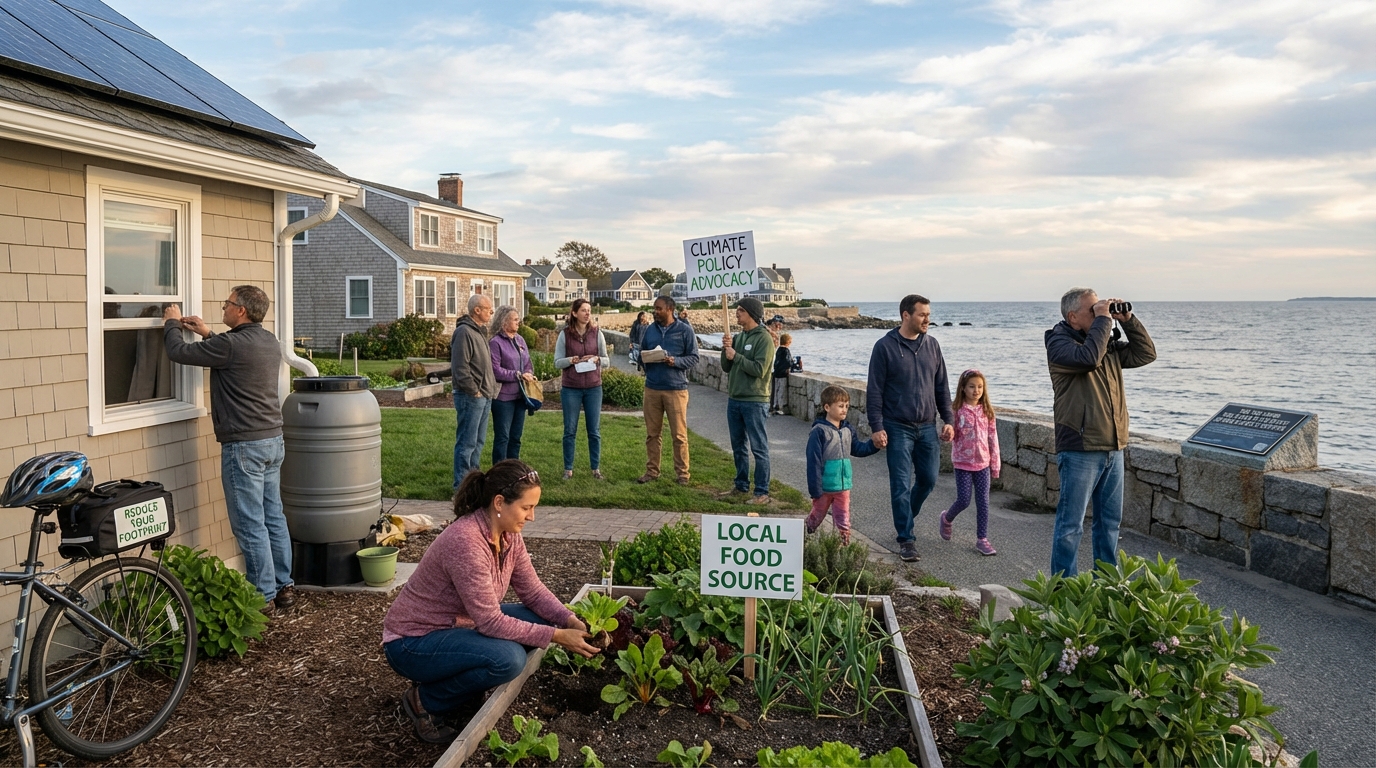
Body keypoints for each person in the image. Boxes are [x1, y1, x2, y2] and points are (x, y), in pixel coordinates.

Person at [382, 460, 599, 743]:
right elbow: (490, 621)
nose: (531, 517)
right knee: (508, 660)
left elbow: (532, 592)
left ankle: (464, 688)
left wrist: (568, 620)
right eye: (526, 508)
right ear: (499, 502)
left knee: (544, 617)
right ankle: (426, 700)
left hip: (457, 626)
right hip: (413, 642)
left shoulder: (508, 536)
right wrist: (558, 636)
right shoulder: (466, 542)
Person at [162, 285, 296, 612]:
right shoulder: (267, 341)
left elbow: (178, 352)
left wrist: (171, 322)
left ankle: (261, 597)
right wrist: (207, 332)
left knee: (249, 522)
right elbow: (230, 352)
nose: (224, 307)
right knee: (272, 516)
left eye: (228, 303)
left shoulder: (231, 345)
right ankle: (284, 587)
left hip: (244, 446)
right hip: (272, 441)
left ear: (241, 311)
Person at [1046, 288, 1156, 577]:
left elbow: (1146, 354)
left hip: (1113, 446)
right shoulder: (1059, 344)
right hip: (1080, 447)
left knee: (1109, 524)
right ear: (1072, 317)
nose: (1099, 313)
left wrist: (1128, 320)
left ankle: (1106, 585)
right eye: (1092, 310)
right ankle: (1062, 591)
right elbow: (1088, 358)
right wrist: (1104, 321)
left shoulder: (1103, 343)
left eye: (1100, 308)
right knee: (1071, 526)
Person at [866, 294, 954, 562]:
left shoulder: (933, 345)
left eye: (928, 314)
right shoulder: (885, 347)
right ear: (906, 315)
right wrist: (877, 426)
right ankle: (906, 538)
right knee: (901, 485)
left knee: (928, 479)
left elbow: (942, 387)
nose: (928, 319)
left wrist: (948, 419)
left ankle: (905, 517)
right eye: (922, 314)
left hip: (927, 426)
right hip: (897, 427)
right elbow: (874, 391)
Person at [937, 369, 1001, 556]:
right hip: (962, 463)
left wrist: (995, 464)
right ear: (963, 388)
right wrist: (947, 435)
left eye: (980, 387)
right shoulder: (957, 410)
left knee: (983, 502)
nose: (976, 390)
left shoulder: (987, 411)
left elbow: (992, 438)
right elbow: (951, 434)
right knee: (964, 500)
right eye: (972, 386)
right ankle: (947, 518)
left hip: (983, 464)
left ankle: (982, 539)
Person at [805, 385, 879, 544]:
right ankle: (806, 531)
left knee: (843, 518)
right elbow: (813, 462)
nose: (844, 409)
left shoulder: (848, 429)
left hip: (843, 486)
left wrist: (874, 446)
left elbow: (858, 449)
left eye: (846, 406)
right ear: (827, 407)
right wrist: (815, 489)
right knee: (817, 515)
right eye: (840, 406)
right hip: (824, 487)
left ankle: (842, 544)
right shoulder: (819, 431)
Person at [639, 296, 699, 485]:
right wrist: (643, 358)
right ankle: (652, 471)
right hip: (652, 388)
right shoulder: (649, 330)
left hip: (676, 389)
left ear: (670, 309)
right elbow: (641, 353)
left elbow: (694, 357)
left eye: (659, 309)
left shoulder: (685, 331)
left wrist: (675, 361)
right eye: (654, 309)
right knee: (652, 434)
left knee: (679, 435)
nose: (655, 312)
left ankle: (682, 474)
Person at [721, 297, 776, 503]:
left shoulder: (764, 339)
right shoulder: (738, 337)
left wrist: (735, 356)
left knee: (758, 447)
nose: (736, 313)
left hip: (755, 400)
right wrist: (725, 349)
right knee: (738, 446)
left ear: (752, 314)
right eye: (737, 309)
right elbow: (726, 367)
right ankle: (741, 485)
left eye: (741, 310)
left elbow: (760, 370)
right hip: (735, 398)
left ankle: (762, 492)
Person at [554, 299, 610, 480]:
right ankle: (568, 469)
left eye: (589, 310)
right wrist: (572, 360)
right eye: (584, 310)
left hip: (594, 387)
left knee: (594, 430)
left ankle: (596, 469)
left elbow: (607, 360)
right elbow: (557, 362)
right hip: (571, 388)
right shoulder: (565, 335)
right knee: (570, 430)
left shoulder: (597, 333)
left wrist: (597, 359)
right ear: (574, 313)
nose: (587, 313)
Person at [452, 294, 497, 488]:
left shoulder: (480, 331)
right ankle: (461, 487)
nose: (491, 312)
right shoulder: (464, 332)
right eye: (488, 308)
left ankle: (474, 485)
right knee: (467, 443)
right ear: (476, 310)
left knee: (478, 443)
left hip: (485, 396)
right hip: (471, 396)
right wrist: (474, 391)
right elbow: (461, 367)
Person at [489, 305, 537, 462]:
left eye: (519, 319)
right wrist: (517, 375)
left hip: (520, 396)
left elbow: (527, 362)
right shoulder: (495, 343)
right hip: (503, 399)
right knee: (503, 438)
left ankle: (514, 471)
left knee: (516, 437)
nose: (519, 322)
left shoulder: (520, 340)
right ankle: (499, 471)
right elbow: (495, 370)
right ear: (504, 322)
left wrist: (529, 373)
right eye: (515, 319)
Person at [770, 332, 793, 415]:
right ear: (788, 342)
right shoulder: (786, 351)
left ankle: (775, 405)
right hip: (783, 373)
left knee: (776, 389)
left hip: (776, 373)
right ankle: (781, 407)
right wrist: (791, 365)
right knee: (781, 390)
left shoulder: (778, 350)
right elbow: (788, 361)